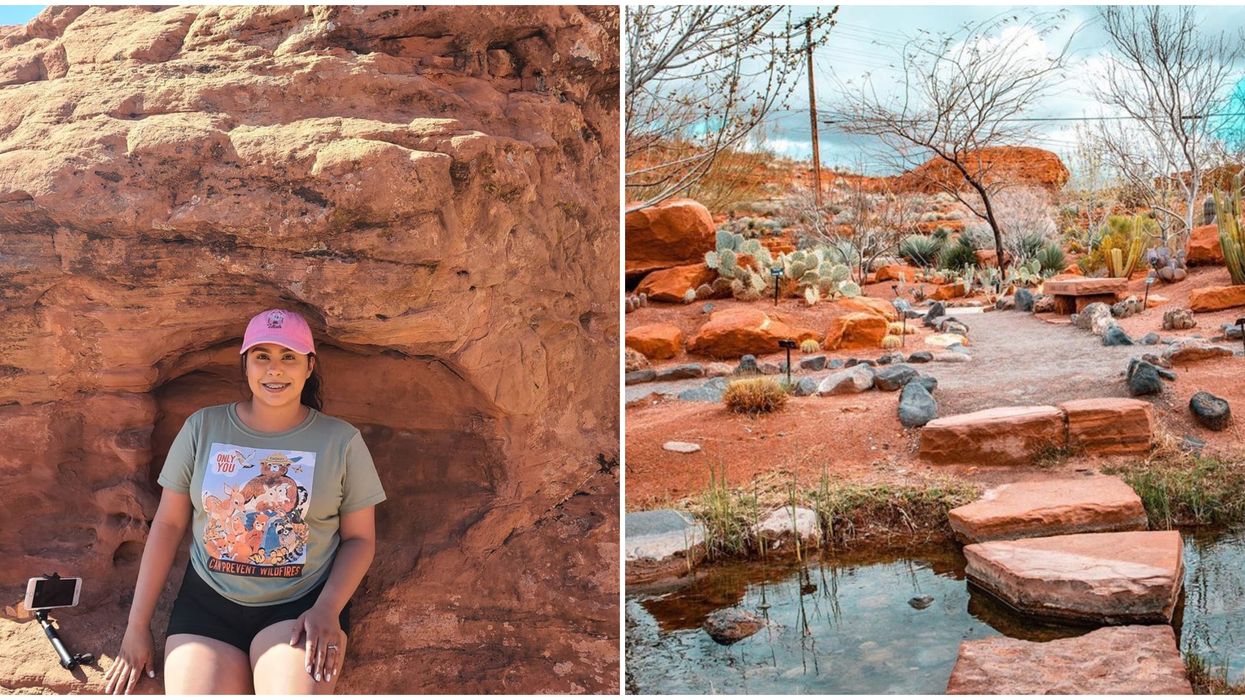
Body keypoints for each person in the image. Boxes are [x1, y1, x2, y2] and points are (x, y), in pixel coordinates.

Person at [104, 309, 386, 694]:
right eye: (262, 356)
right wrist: (136, 630)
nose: (275, 369)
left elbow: (360, 539)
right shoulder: (203, 427)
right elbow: (168, 526)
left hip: (300, 607)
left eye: (289, 356)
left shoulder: (342, 441)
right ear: (245, 363)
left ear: (309, 365)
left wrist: (328, 608)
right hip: (207, 606)